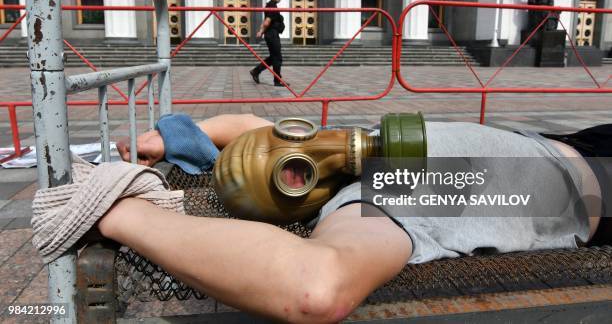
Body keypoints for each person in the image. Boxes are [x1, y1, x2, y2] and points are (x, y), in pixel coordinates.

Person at [108, 114, 610, 323]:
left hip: (569, 146)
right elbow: (316, 288)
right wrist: (119, 210)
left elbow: (260, 129)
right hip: (587, 184)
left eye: (295, 136)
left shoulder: (354, 148)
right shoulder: (389, 195)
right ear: (297, 198)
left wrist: (171, 138)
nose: (321, 144)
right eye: (294, 167)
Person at [250, 0, 287, 87]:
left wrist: (261, 31)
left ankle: (256, 71)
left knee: (273, 57)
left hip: (271, 34)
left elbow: (266, 20)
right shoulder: (271, 5)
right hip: (272, 34)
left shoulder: (271, 5)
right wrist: (261, 31)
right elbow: (267, 21)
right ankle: (277, 81)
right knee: (277, 58)